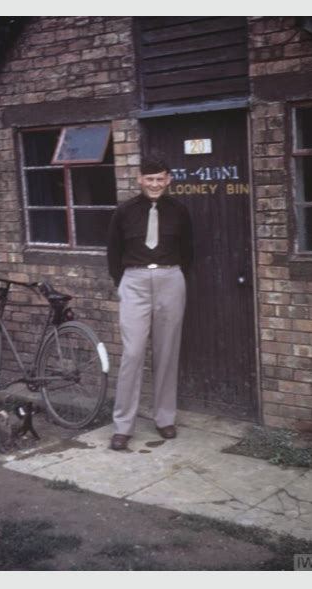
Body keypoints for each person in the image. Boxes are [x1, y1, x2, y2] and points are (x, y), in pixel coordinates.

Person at [107, 152, 193, 450]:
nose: (155, 184)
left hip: (170, 278)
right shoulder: (124, 212)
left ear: (168, 180)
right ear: (140, 179)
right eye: (150, 179)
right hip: (135, 281)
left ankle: (164, 418)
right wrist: (125, 284)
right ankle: (123, 425)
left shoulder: (180, 211)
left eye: (160, 179)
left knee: (167, 350)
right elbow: (113, 253)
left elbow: (189, 251)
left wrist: (174, 277)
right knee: (132, 353)